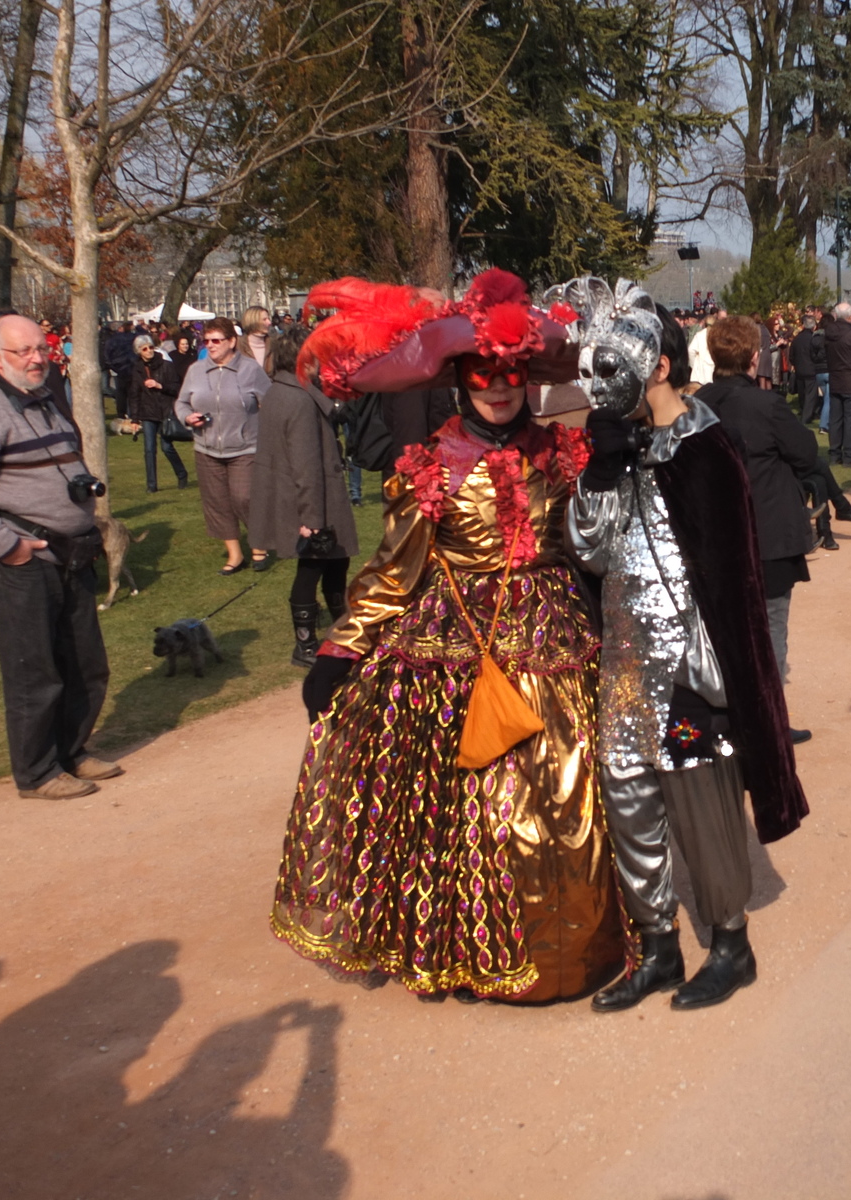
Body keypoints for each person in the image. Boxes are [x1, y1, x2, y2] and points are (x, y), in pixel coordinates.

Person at [273, 267, 624, 1002]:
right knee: (468, 812)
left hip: (557, 642)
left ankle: (575, 950)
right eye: (479, 373)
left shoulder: (564, 456)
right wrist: (341, 650)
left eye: (509, 374)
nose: (496, 387)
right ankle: (473, 951)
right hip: (457, 648)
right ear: (458, 378)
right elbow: (392, 574)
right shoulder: (432, 463)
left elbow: (599, 551)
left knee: (569, 798)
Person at [559, 276, 809, 1012]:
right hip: (627, 663)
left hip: (689, 667)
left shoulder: (705, 445)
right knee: (630, 802)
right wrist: (604, 471)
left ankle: (730, 945)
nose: (601, 391)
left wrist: (723, 673)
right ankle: (659, 947)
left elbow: (732, 574)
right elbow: (587, 549)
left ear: (658, 366)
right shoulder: (616, 448)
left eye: (614, 372)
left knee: (702, 805)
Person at [0, 315, 118, 800]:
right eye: (24, 351)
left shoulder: (43, 395)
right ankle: (37, 772)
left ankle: (72, 750)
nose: (37, 359)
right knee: (35, 670)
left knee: (85, 663)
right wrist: (8, 548)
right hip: (21, 558)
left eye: (41, 349)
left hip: (71, 551)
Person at [695, 315, 819, 743]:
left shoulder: (698, 404)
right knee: (768, 630)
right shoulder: (765, 405)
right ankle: (766, 724)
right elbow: (805, 453)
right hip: (765, 535)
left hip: (717, 536)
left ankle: (735, 719)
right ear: (754, 358)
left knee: (725, 630)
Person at [247, 326, 359, 665]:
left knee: (336, 562)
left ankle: (339, 632)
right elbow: (306, 464)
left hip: (299, 496)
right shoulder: (298, 399)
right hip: (311, 500)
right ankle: (306, 644)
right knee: (312, 568)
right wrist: (311, 519)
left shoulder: (282, 391)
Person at [175, 316, 272, 574]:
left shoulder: (250, 369)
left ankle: (259, 544)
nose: (210, 345)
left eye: (216, 340)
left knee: (244, 497)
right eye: (206, 341)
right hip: (206, 449)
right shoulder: (196, 370)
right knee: (217, 502)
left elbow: (271, 402)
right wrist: (187, 416)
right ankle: (235, 555)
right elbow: (181, 402)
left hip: (245, 447)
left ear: (232, 341)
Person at [126, 335, 189, 493]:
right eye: (144, 349)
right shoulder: (138, 369)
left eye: (150, 347)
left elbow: (176, 388)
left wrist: (160, 385)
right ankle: (151, 485)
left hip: (165, 410)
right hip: (148, 413)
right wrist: (135, 418)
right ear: (139, 352)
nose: (148, 351)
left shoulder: (166, 365)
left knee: (166, 447)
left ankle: (181, 473)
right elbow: (134, 394)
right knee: (149, 449)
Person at [822, 301, 851, 466]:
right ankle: (850, 456)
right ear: (850, 316)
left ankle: (835, 454)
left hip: (836, 378)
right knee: (850, 420)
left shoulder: (829, 333)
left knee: (836, 419)